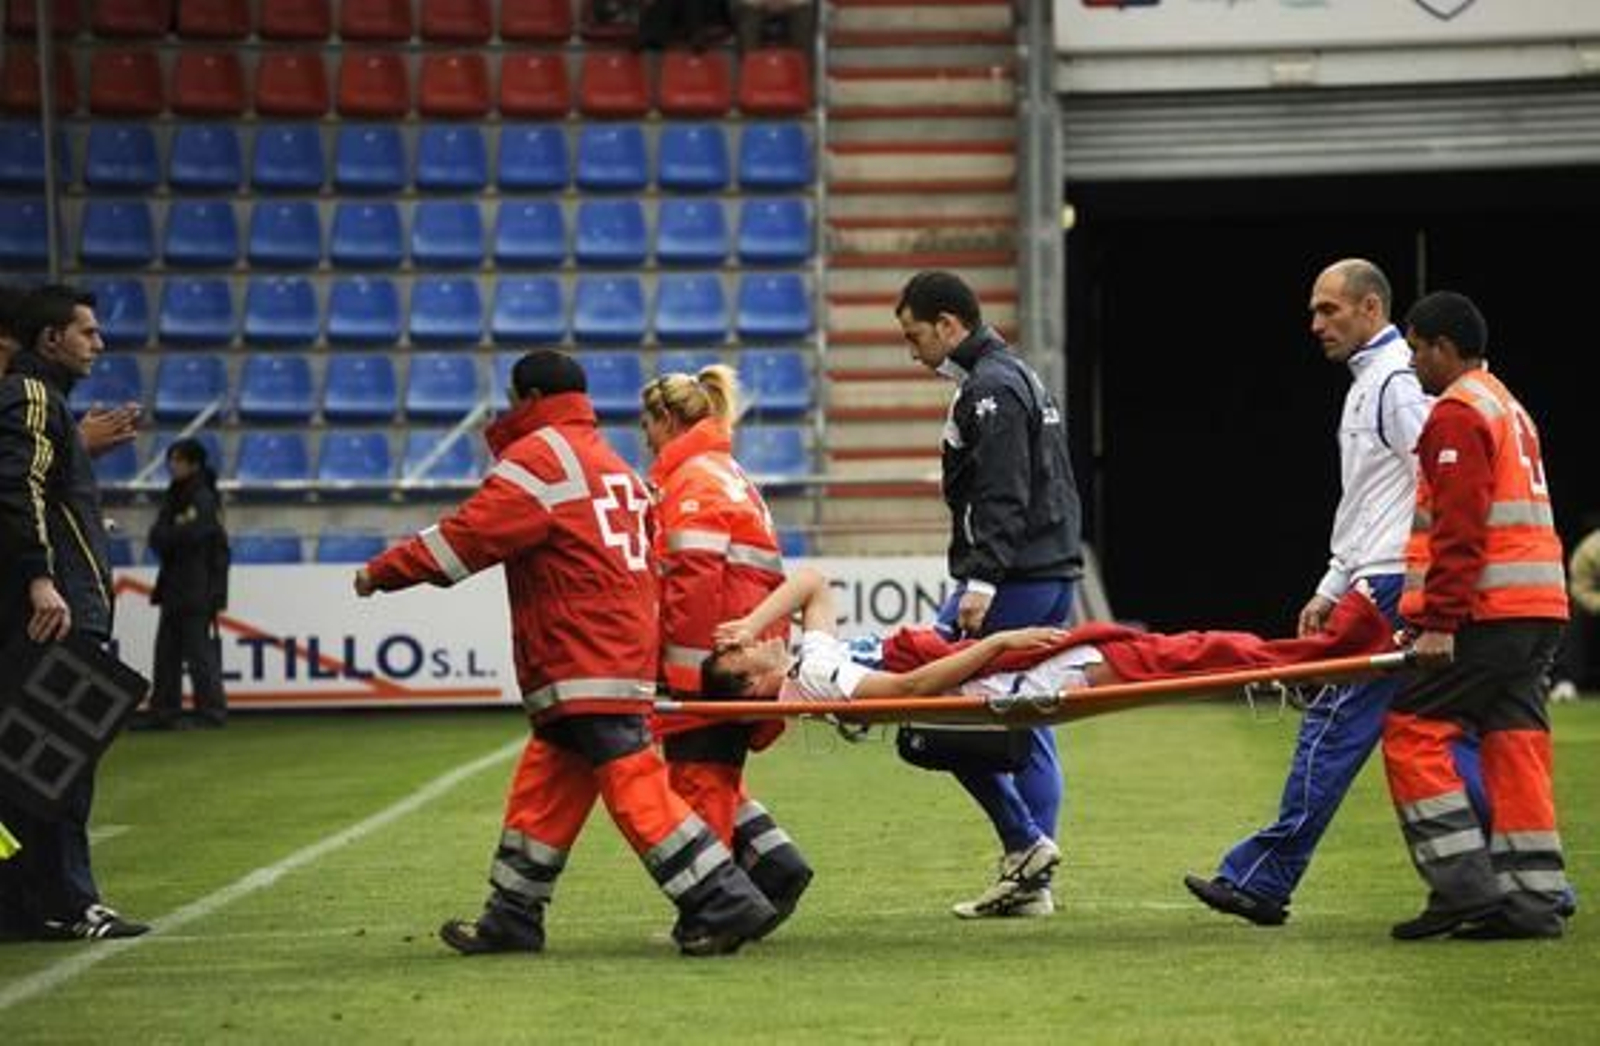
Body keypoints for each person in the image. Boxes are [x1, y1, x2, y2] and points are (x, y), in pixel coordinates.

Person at [354, 349, 777, 958]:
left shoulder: (540, 459)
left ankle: (723, 898)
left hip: (583, 655)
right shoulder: (611, 463)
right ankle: (512, 916)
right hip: (611, 653)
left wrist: (381, 573)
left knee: (635, 788)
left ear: (527, 399)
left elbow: (467, 537)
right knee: (546, 785)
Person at [1185, 258, 1484, 927]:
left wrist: (1404, 584)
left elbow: (1439, 481)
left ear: (1371, 308)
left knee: (1329, 729)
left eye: (1329, 310)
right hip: (1382, 577)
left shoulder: (1394, 384)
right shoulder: (1374, 383)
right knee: (1440, 734)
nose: (1315, 323)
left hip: (1388, 584)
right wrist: (1331, 580)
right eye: (1315, 311)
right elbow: (1373, 498)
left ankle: (1262, 880)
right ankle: (1515, 878)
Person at [1383, 290, 1572, 941]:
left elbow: (1460, 530)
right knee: (1515, 746)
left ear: (1441, 347)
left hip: (1489, 611)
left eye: (1415, 349)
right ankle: (1534, 900)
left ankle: (1462, 887)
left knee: (1410, 731)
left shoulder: (1457, 415)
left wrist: (1439, 620)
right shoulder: (1508, 406)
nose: (1411, 364)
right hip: (1539, 605)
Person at [895, 270, 1084, 919]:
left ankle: (1025, 846)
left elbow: (1004, 493)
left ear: (949, 325)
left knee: (940, 711)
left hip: (1016, 578)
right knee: (1030, 721)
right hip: (1047, 571)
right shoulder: (1016, 376)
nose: (911, 350)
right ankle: (1032, 882)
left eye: (915, 335)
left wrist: (981, 580)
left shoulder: (990, 390)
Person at [706, 568, 1397, 730]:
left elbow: (813, 583)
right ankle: (1331, 654)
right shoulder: (817, 678)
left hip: (1012, 676)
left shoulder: (807, 661)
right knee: (1193, 656)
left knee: (1193, 652)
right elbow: (912, 693)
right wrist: (1000, 641)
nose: (756, 640)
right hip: (1015, 683)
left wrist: (746, 617)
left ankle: (1327, 655)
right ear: (750, 689)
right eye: (741, 653)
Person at [641, 365, 813, 934]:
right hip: (750, 654)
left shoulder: (691, 479)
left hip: (716, 666)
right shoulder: (725, 471)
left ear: (667, 420)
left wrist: (682, 677)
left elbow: (692, 583)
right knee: (714, 776)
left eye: (647, 422)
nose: (643, 436)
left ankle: (713, 911)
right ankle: (776, 866)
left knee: (698, 784)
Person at [0, 283, 148, 941]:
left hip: (58, 607)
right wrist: (40, 578)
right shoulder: (32, 397)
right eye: (87, 331)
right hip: (60, 612)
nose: (99, 343)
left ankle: (23, 905)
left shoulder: (46, 404)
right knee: (59, 764)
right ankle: (68, 899)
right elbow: (16, 484)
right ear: (49, 339)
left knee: (27, 769)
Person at [142, 437, 230, 730]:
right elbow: (157, 536)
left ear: (193, 463)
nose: (172, 465)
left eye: (178, 460)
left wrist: (172, 532)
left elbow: (192, 535)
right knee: (166, 652)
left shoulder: (202, 496)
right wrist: (173, 532)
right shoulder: (176, 494)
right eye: (171, 459)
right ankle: (164, 711)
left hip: (197, 586)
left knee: (198, 653)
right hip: (174, 585)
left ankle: (211, 712)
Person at [1548, 515, 1600, 700]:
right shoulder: (1591, 550)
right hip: (1592, 609)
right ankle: (1565, 681)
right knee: (1571, 612)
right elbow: (1579, 588)